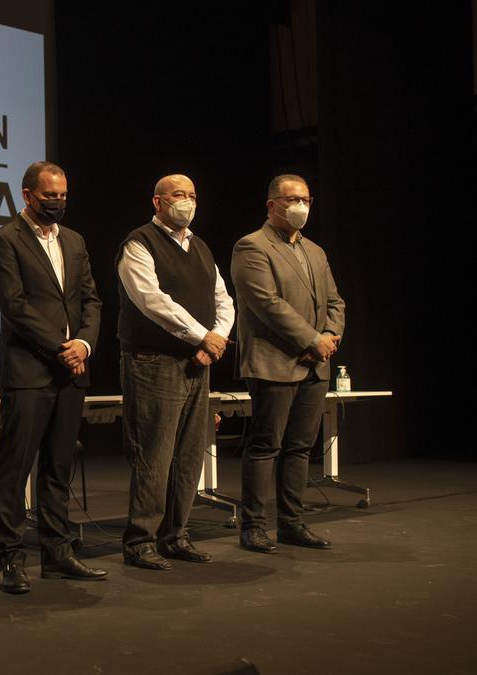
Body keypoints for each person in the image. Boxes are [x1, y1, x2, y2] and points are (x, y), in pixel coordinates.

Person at [0, 161, 106, 594]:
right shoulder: (4, 240)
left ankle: (57, 553)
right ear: (27, 194)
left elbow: (91, 299)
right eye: (49, 195)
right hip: (29, 371)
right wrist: (61, 348)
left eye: (63, 196)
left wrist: (85, 345)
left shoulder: (74, 241)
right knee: (15, 469)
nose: (57, 202)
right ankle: (11, 558)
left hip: (72, 371)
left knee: (59, 467)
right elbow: (14, 306)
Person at [117, 174, 235, 571]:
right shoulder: (139, 243)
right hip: (153, 363)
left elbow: (224, 299)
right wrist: (203, 336)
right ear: (157, 202)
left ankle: (175, 535)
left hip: (197, 363)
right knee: (155, 454)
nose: (186, 201)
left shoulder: (200, 246)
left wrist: (215, 338)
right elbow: (152, 301)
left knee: (188, 455)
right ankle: (140, 541)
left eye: (192, 195)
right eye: (178, 195)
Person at [231, 174, 345, 553]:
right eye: (292, 199)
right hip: (274, 361)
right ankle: (253, 526)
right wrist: (312, 339)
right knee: (266, 445)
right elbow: (267, 304)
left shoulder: (315, 250)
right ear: (272, 205)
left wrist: (329, 336)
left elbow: (334, 301)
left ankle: (292, 523)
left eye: (306, 199)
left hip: (315, 364)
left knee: (300, 447)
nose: (301, 206)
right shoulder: (251, 246)